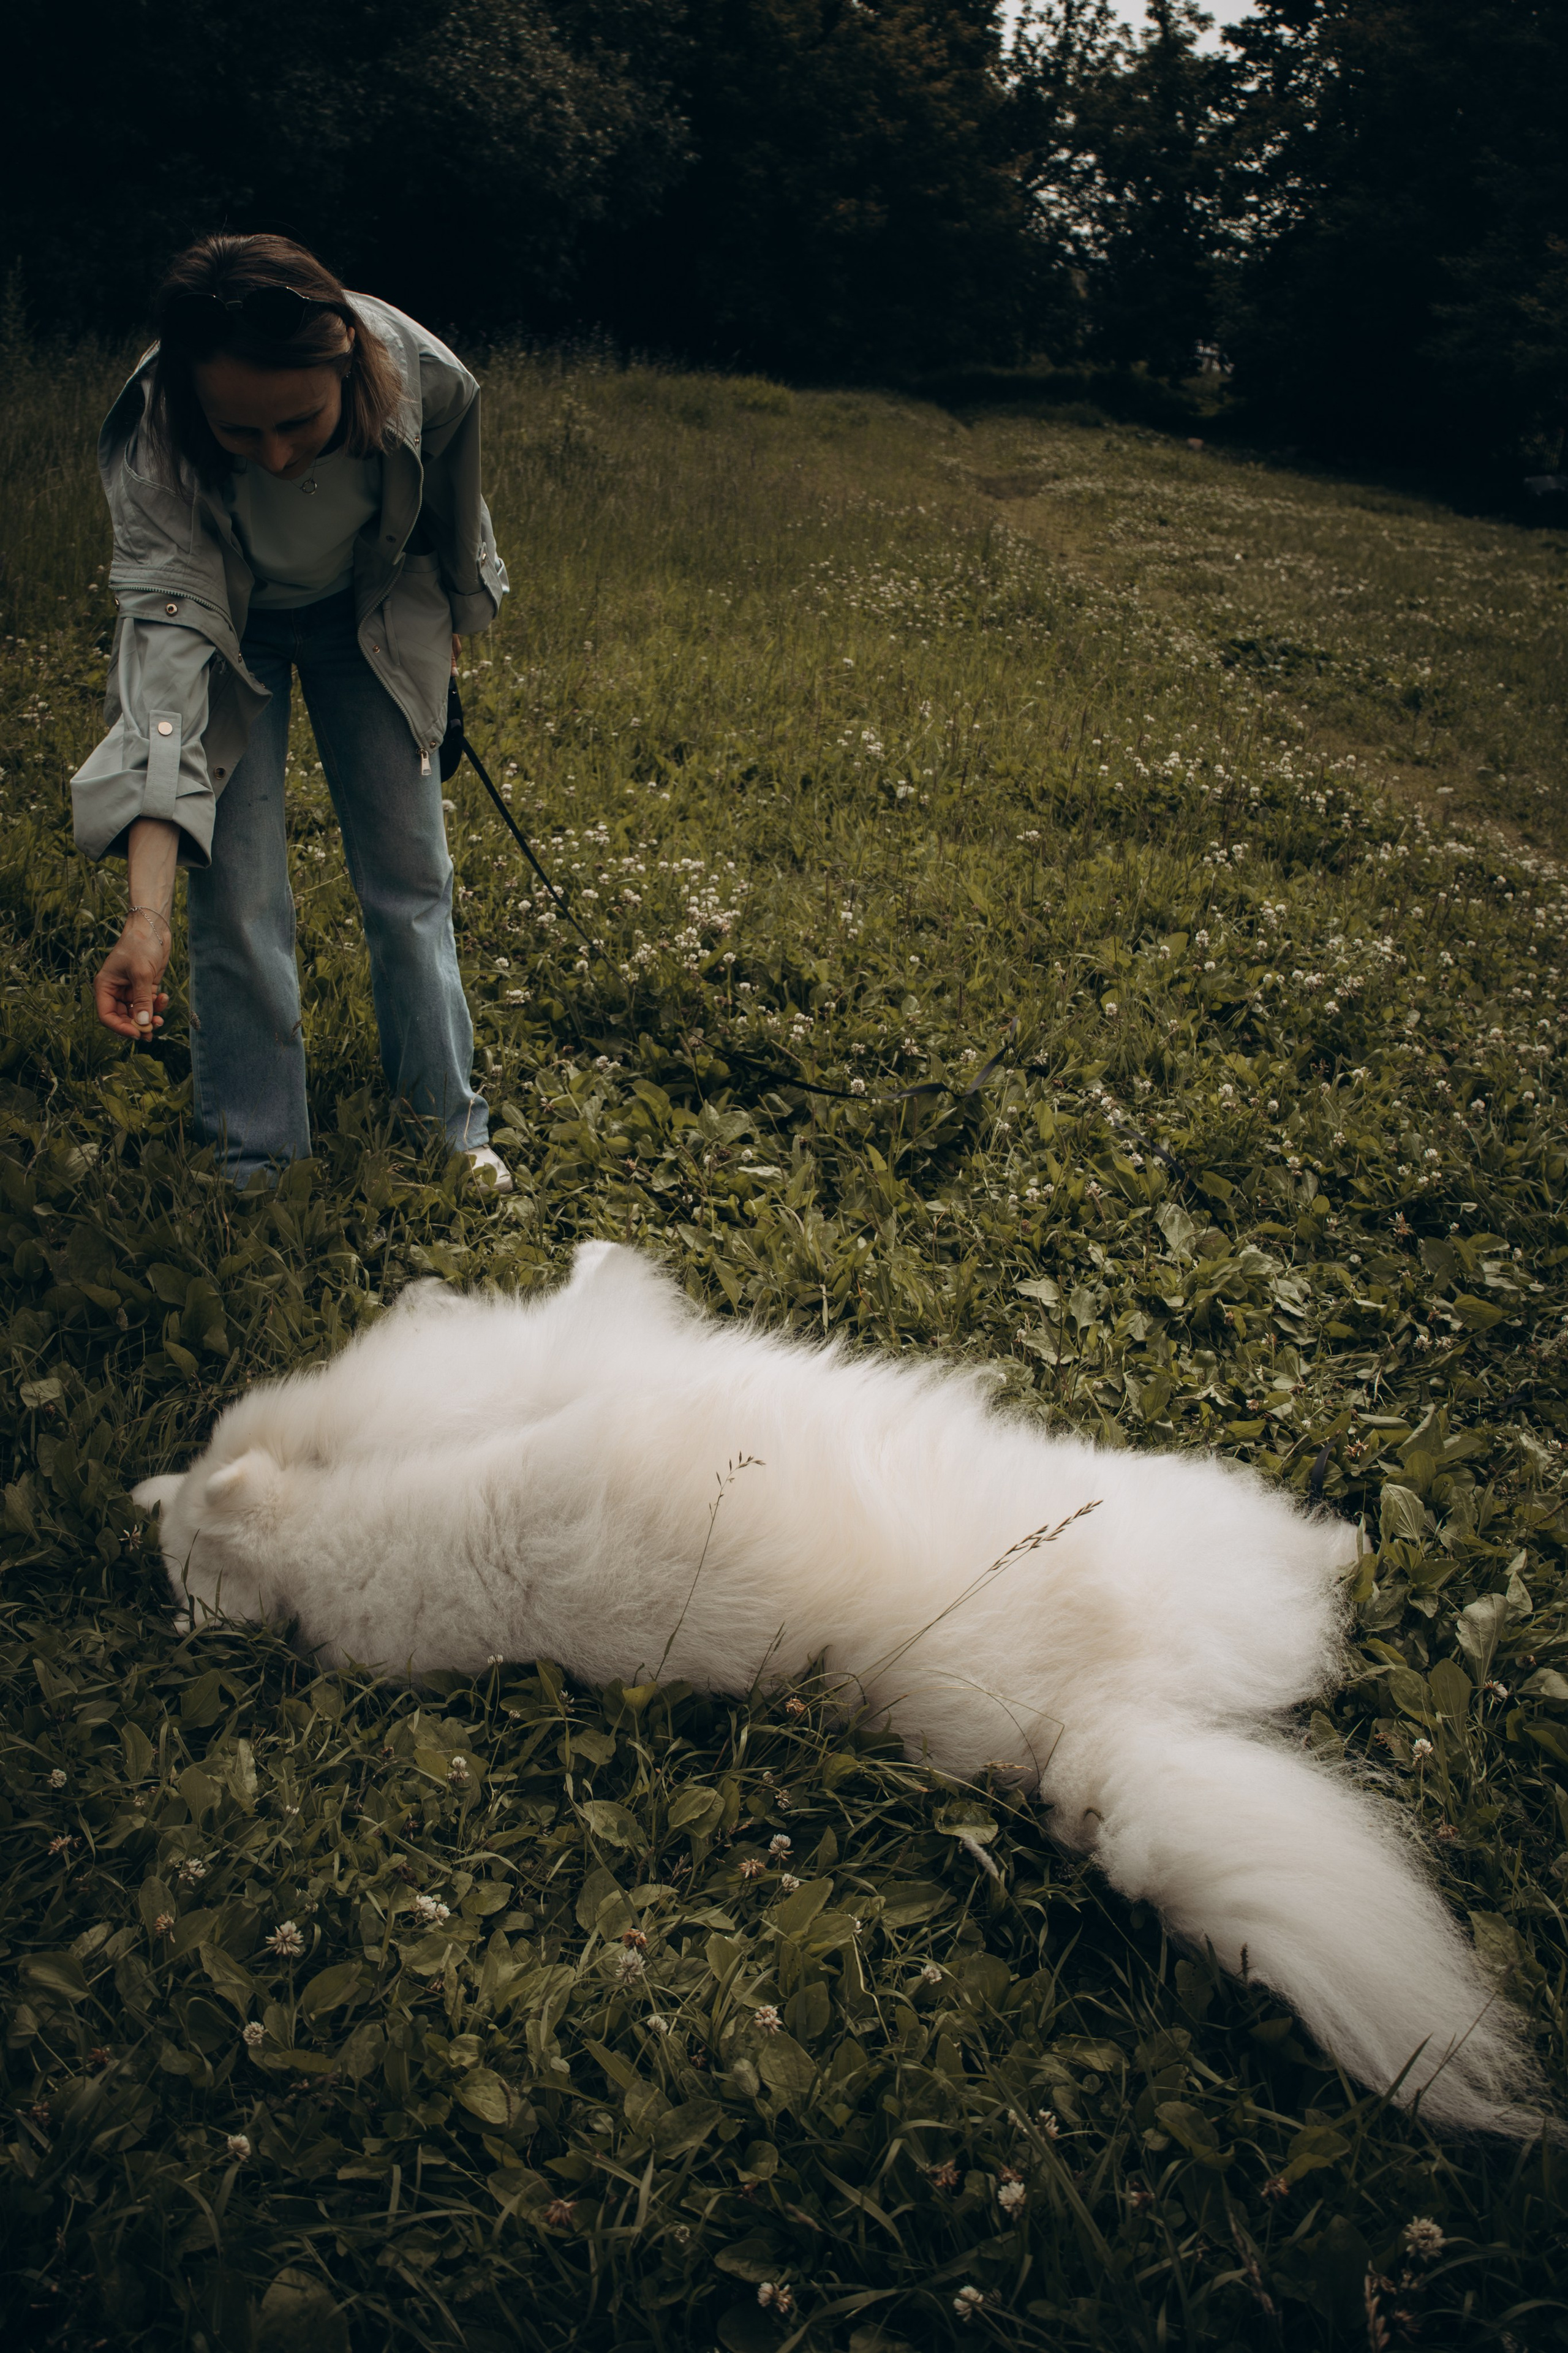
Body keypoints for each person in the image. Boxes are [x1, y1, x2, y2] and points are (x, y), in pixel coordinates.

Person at [72, 232, 514, 1191]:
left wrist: (443, 643)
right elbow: (164, 695)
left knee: (411, 875)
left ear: (348, 359)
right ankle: (256, 1158)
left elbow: (450, 512)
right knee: (235, 893)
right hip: (233, 627)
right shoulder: (156, 438)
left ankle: (446, 1125)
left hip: (372, 603)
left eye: (298, 423)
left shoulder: (427, 377)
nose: (273, 458)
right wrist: (144, 916)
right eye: (239, 433)